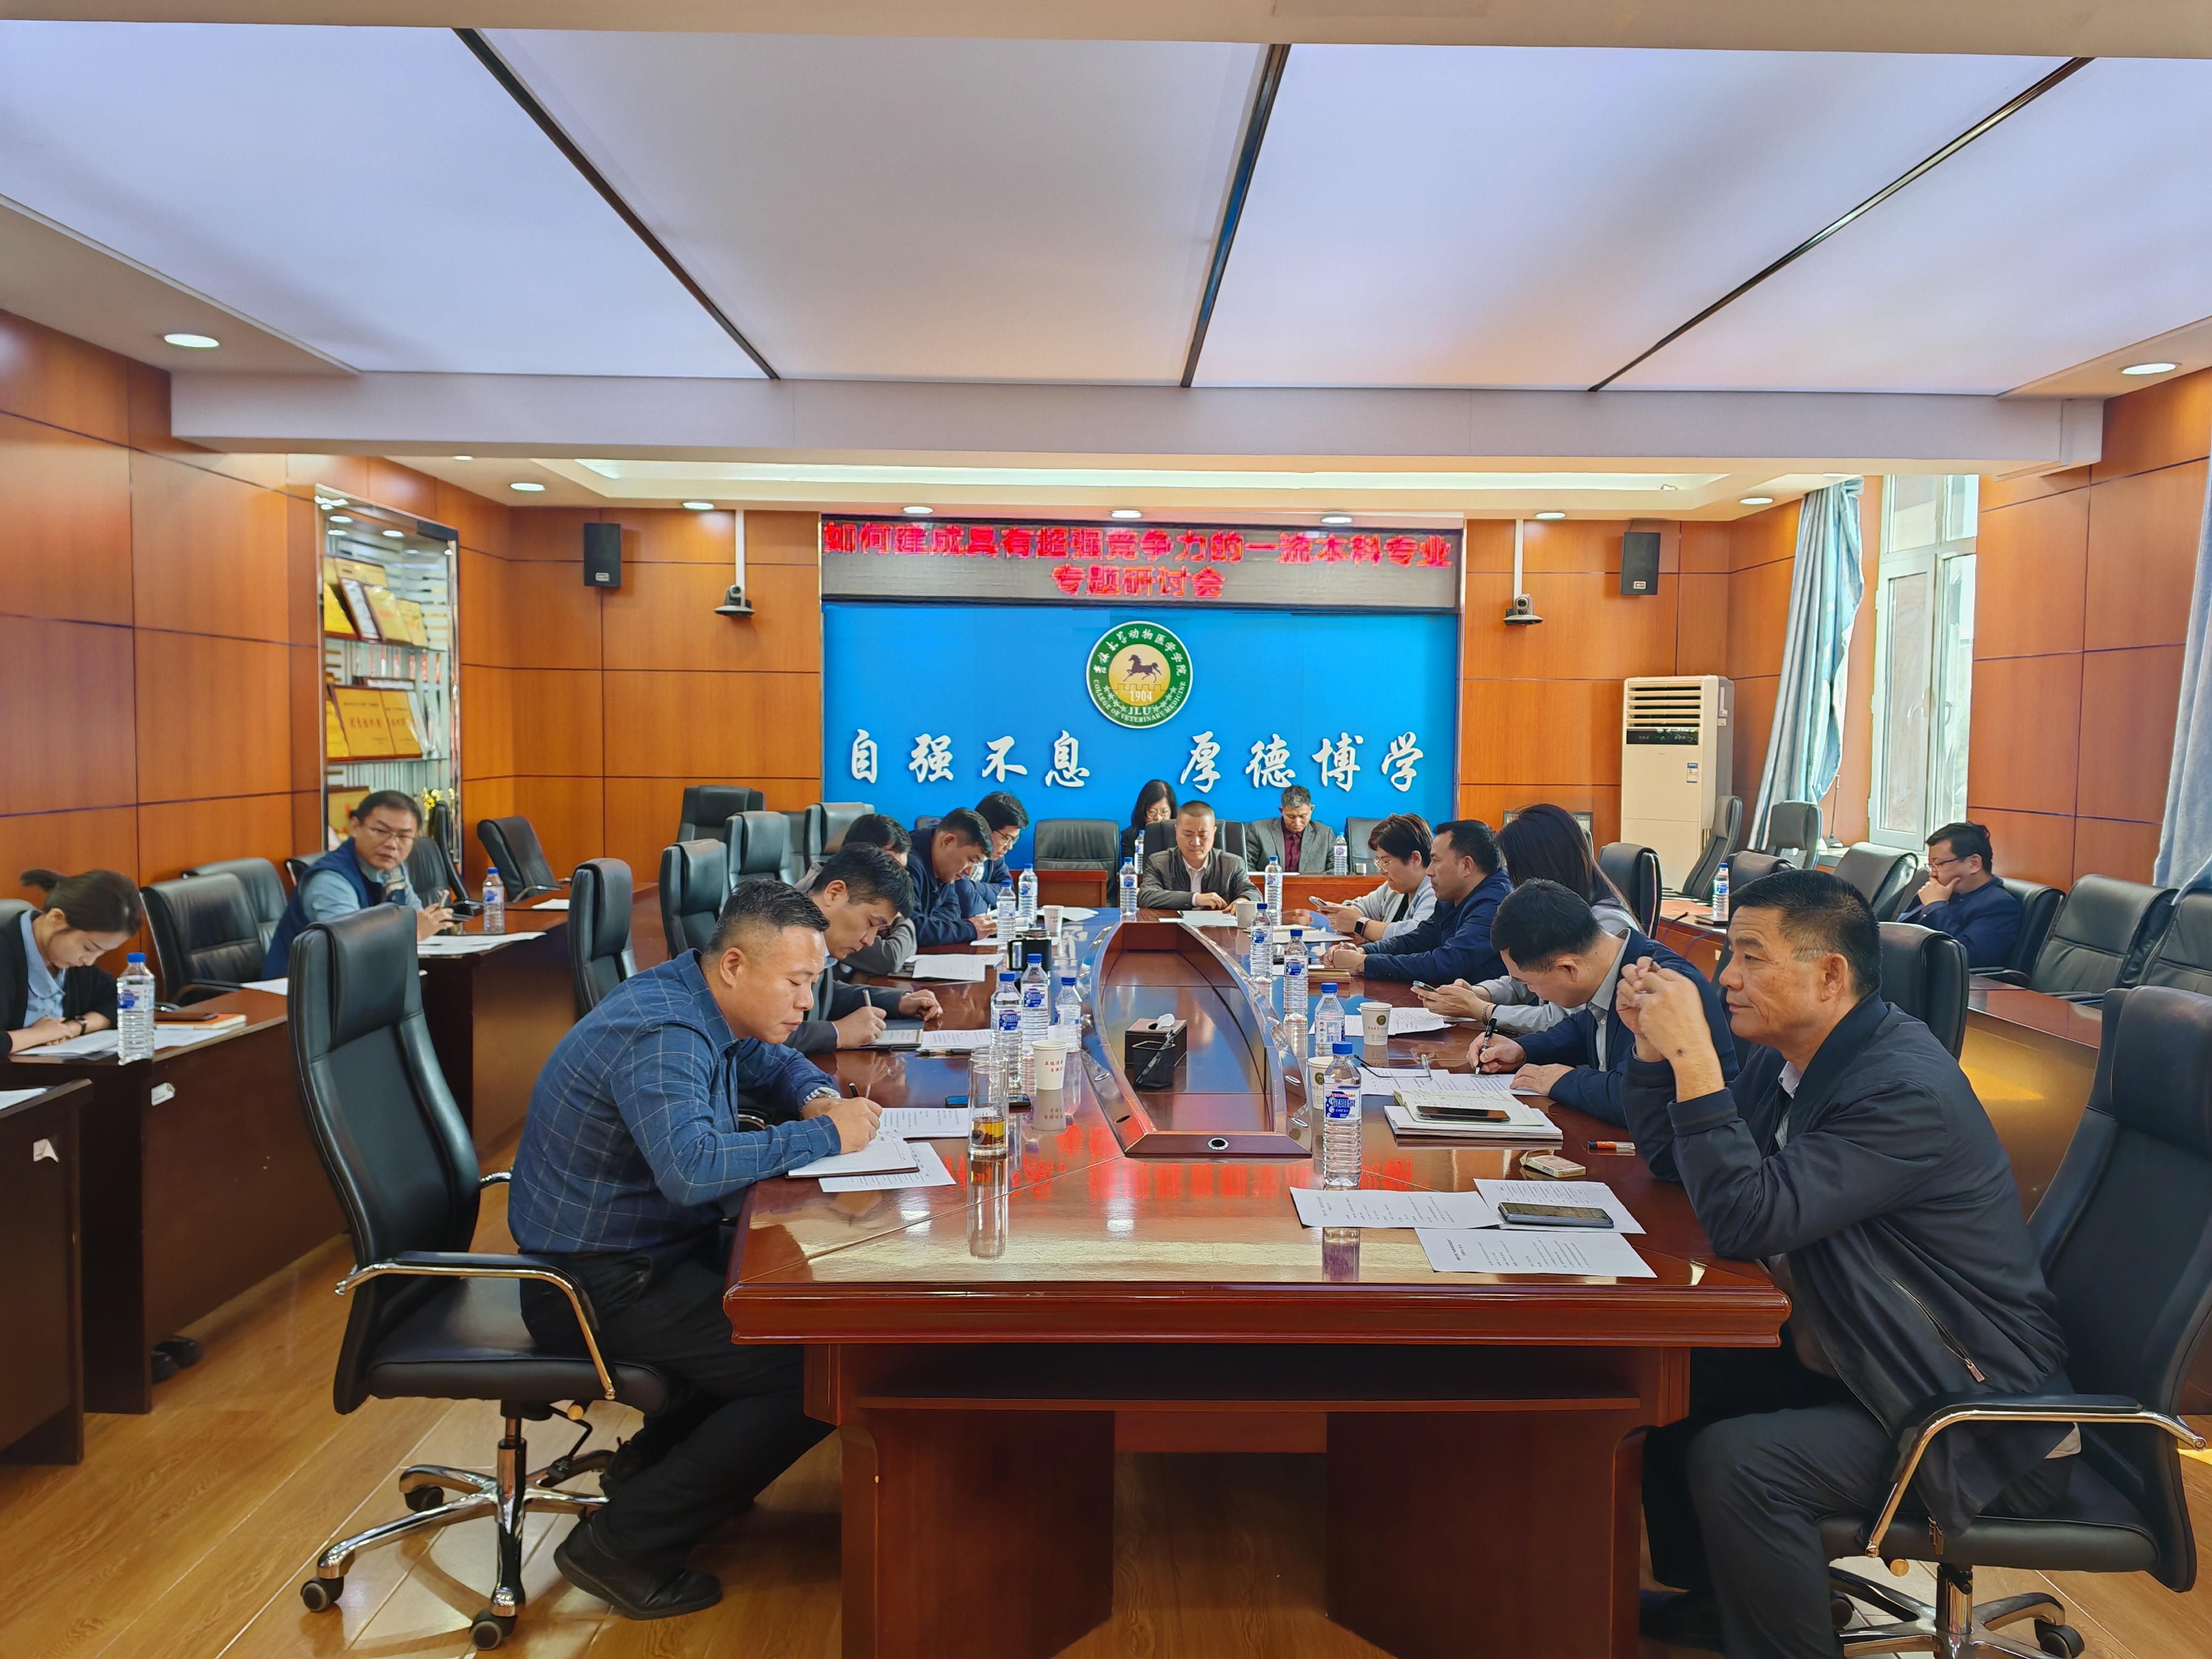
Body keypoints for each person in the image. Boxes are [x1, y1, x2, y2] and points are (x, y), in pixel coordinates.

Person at [1618, 869, 2074, 1658]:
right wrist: (1655, 1055)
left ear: (1829, 975)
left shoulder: (1901, 1091)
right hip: (1874, 1358)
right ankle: (1725, 1602)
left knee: (1743, 1465)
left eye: (1751, 957)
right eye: (1728, 955)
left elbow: (1746, 1218)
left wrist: (1696, 1058)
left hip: (1975, 1414)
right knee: (1670, 1376)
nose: (1726, 978)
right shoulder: (1794, 1060)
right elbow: (1674, 1163)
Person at [508, 878, 884, 1621]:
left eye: (813, 983)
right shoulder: (666, 1034)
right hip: (592, 1283)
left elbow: (772, 1061)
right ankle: (622, 1546)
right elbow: (693, 1169)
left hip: (647, 1252)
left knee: (798, 1314)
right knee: (814, 1372)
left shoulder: (703, 998)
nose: (807, 1003)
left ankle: (649, 1471)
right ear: (736, 965)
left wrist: (814, 1095)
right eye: (796, 982)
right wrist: (824, 1134)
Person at [1470, 879, 1734, 1126]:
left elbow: (1643, 1098)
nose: (1531, 991)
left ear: (1568, 969)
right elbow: (1583, 1029)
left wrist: (1565, 1080)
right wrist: (1522, 1049)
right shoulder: (1611, 966)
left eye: (1529, 983)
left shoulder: (1657, 985)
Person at [1417, 802, 1636, 1034]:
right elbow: (1526, 979)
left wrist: (1483, 1010)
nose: (1513, 884)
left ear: (1541, 868)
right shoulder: (1553, 913)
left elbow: (1565, 1021)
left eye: (1516, 872)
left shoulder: (1607, 926)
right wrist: (1478, 993)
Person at [262, 791, 452, 977]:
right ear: (355, 826)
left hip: (360, 982)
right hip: (299, 988)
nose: (392, 845)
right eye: (381, 831)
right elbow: (351, 949)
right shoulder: (331, 880)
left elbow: (415, 916)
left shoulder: (393, 867)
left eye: (403, 837)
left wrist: (428, 922)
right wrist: (414, 933)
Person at [787, 844, 939, 1053]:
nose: (869, 941)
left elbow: (826, 996)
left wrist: (899, 1002)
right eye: (870, 923)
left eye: (879, 930)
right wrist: (838, 1032)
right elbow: (757, 1041)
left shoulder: (817, 939)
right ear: (834, 893)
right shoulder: (781, 938)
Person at [1325, 819, 1509, 984]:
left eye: (1436, 861)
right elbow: (1415, 940)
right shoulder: (1451, 896)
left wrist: (1364, 964)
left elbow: (1445, 963)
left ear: (1466, 866)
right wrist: (1364, 952)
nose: (1429, 871)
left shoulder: (1495, 905)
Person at [5, 868, 143, 1053]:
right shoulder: (6, 954)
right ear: (57, 919)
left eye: (102, 953)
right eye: (89, 948)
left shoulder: (69, 961)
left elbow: (122, 1000)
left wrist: (74, 1028)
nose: (89, 962)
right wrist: (38, 1035)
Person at [1897, 820, 2025, 970]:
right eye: (1931, 866)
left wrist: (1936, 906)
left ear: (1973, 864)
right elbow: (1900, 930)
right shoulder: (1941, 890)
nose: (1932, 874)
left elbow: (1966, 958)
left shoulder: (1999, 906)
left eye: (1939, 865)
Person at [1306, 814, 1435, 942]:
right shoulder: (1394, 888)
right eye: (1379, 862)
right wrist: (1342, 913)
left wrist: (1360, 925)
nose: (1381, 871)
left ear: (1415, 859)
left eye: (1386, 862)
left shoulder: (1436, 891)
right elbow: (1363, 907)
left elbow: (1417, 935)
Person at [1136, 800, 1259, 911]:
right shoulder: (1158, 863)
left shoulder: (1232, 864)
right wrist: (1195, 899)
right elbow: (1146, 895)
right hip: (1173, 928)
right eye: (1188, 834)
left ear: (1214, 833)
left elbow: (1253, 892)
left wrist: (1244, 900)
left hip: (1218, 929)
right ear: (1176, 831)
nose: (1195, 842)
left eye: (1203, 835)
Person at [832, 815, 917, 976]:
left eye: (902, 871)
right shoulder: (830, 899)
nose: (898, 879)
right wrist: (903, 920)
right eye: (890, 866)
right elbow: (890, 958)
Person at [909, 808, 996, 946]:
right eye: (971, 860)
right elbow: (912, 929)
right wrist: (969, 929)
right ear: (948, 841)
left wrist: (930, 925)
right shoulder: (907, 863)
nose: (968, 873)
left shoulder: (944, 870)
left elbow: (953, 911)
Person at [1245, 784, 1333, 874]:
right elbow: (1246, 867)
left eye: (1303, 816)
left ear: (1311, 809)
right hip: (1269, 883)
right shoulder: (1259, 830)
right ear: (1281, 811)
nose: (1297, 823)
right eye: (1291, 816)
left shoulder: (1326, 834)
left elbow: (1336, 870)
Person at [971, 792, 1029, 897]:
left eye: (1014, 840)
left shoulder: (996, 855)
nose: (1009, 847)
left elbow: (1008, 892)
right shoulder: (958, 850)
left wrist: (975, 888)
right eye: (1006, 838)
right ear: (985, 829)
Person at [1121, 779, 1177, 862]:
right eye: (1152, 812)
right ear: (1143, 812)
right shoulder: (1130, 837)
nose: (1158, 818)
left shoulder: (1181, 834)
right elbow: (1130, 867)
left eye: (1164, 812)